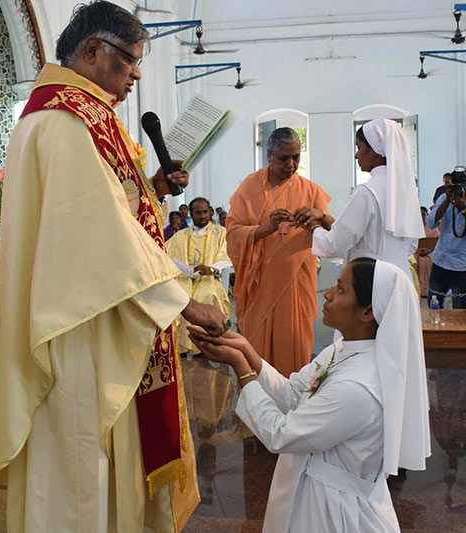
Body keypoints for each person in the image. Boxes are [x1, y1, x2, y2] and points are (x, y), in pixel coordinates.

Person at [0, 3, 228, 531]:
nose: (135, 76)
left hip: (103, 307)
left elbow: (111, 210)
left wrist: (155, 190)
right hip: (83, 322)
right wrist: (184, 304)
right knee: (82, 462)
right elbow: (103, 234)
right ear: (92, 50)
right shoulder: (66, 119)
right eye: (129, 62)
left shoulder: (72, 113)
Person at [187, 258, 430, 532]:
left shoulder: (359, 388)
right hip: (309, 485)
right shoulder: (343, 349)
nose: (326, 293)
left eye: (340, 289)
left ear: (367, 312)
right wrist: (246, 350)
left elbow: (281, 434)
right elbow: (293, 394)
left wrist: (240, 367)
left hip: (334, 509)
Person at [226, 127, 331, 376]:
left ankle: (292, 409)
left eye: (296, 157)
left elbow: (332, 234)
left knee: (295, 346)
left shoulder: (311, 190)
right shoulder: (249, 188)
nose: (292, 165)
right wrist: (265, 229)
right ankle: (258, 407)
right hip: (259, 285)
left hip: (296, 283)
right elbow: (232, 234)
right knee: (256, 353)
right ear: (269, 157)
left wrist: (320, 217)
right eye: (284, 158)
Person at [295, 118, 425, 280]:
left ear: (376, 150)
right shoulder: (404, 191)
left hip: (371, 281)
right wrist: (323, 216)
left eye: (359, 147)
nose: (356, 155)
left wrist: (313, 226)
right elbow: (363, 235)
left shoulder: (366, 192)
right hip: (400, 279)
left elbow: (335, 244)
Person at [167, 197, 232, 355]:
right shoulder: (180, 236)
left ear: (210, 212)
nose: (202, 216)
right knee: (176, 298)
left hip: (209, 280)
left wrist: (213, 268)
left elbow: (228, 255)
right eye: (198, 213)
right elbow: (166, 254)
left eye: (205, 212)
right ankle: (181, 348)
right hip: (184, 279)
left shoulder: (220, 233)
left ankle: (207, 346)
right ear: (190, 214)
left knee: (208, 295)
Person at [425, 167, 466, 309]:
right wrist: (448, 200)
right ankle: (437, 331)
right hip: (441, 262)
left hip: (463, 266)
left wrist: (464, 209)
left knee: (461, 310)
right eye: (460, 185)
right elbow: (430, 222)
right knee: (433, 306)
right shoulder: (444, 198)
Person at [417, 206, 439, 296]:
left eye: (423, 214)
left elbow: (438, 242)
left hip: (430, 252)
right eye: (419, 214)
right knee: (418, 262)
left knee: (429, 261)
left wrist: (428, 250)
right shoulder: (413, 227)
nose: (421, 216)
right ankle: (418, 290)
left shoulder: (432, 228)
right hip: (415, 253)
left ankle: (428, 290)